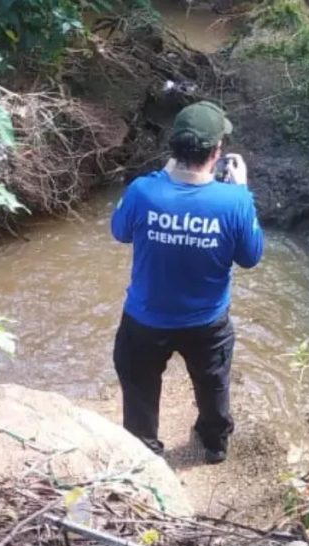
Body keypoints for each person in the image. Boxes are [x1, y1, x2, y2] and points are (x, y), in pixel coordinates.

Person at [110, 101, 264, 464]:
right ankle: (214, 444)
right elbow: (250, 257)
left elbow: (120, 233)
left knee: (139, 388)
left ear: (173, 148)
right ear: (217, 152)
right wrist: (243, 191)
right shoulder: (234, 201)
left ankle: (143, 451)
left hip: (145, 320)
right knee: (212, 386)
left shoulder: (142, 190)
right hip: (206, 323)